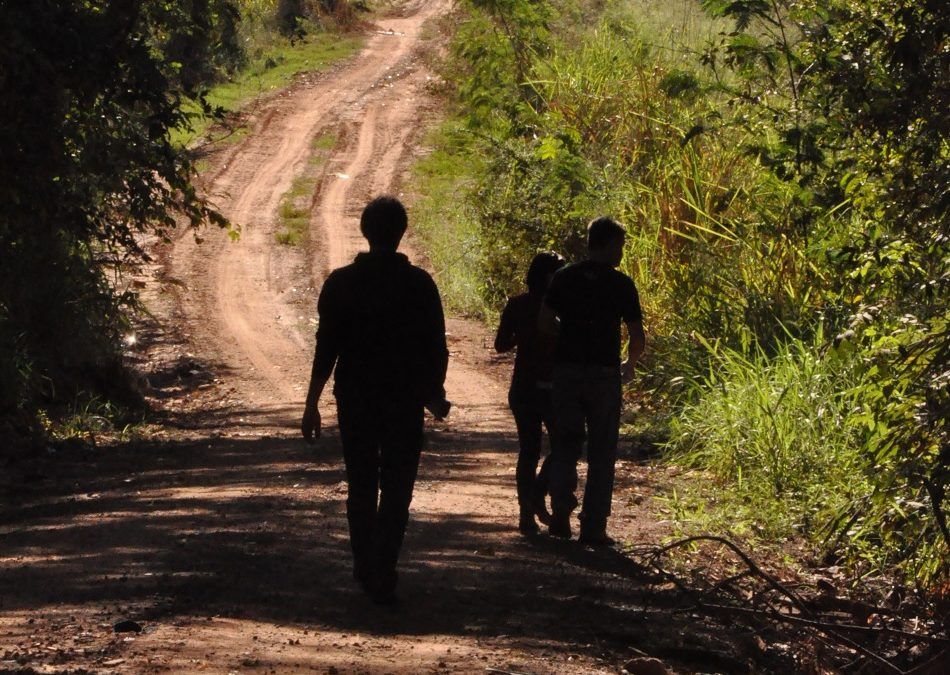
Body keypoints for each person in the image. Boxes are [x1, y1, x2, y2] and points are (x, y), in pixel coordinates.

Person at [301, 195, 451, 604]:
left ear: (365, 231)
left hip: (356, 398)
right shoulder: (420, 284)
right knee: (398, 485)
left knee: (362, 481)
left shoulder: (341, 283)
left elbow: (325, 349)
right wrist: (433, 392)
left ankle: (365, 562)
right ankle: (383, 565)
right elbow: (436, 348)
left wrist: (311, 403)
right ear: (402, 233)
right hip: (404, 400)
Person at [539, 216, 645, 546]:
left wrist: (567, 338)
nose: (622, 252)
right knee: (601, 451)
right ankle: (593, 526)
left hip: (568, 372)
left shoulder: (564, 277)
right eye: (620, 246)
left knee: (565, 444)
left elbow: (544, 322)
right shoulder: (621, 284)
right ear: (608, 244)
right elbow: (637, 335)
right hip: (603, 375)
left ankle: (560, 516)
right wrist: (630, 362)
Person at [495, 252, 566, 536]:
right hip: (543, 388)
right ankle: (534, 500)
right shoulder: (560, 308)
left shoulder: (518, 304)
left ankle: (529, 510)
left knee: (532, 451)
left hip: (526, 388)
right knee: (560, 446)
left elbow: (501, 344)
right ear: (549, 277)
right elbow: (502, 344)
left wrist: (520, 336)